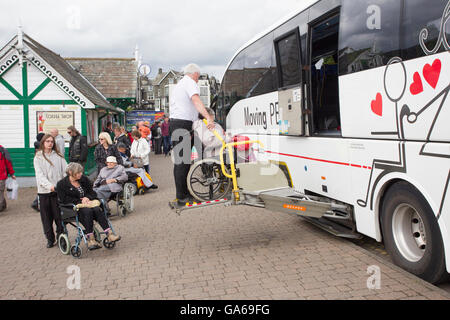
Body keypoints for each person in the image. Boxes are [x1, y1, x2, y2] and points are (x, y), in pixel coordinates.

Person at [169, 63, 215, 207]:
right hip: (182, 125)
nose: (198, 79)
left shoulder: (181, 84)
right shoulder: (190, 82)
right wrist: (208, 117)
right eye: (198, 76)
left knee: (194, 153)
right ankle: (182, 197)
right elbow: (196, 100)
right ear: (194, 74)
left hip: (181, 124)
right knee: (182, 162)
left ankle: (187, 191)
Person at [56, 162, 121, 250]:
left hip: (88, 204)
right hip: (74, 208)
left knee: (97, 209)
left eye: (81, 172)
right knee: (88, 211)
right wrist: (80, 200)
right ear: (71, 172)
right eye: (78, 173)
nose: (81, 174)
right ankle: (91, 239)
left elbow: (92, 192)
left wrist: (87, 197)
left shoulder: (83, 179)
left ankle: (109, 234)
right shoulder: (61, 184)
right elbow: (64, 199)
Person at [34, 134, 67, 248]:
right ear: (43, 143)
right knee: (46, 218)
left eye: (52, 141)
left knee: (59, 216)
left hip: (57, 192)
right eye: (47, 141)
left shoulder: (58, 156)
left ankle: (61, 236)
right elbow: (40, 176)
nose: (50, 143)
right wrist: (50, 186)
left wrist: (63, 183)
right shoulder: (38, 157)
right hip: (44, 192)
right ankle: (50, 238)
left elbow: (65, 171)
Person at [31, 132, 46, 212]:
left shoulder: (37, 146)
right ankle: (36, 203)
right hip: (43, 170)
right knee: (43, 187)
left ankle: (37, 202)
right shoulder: (40, 147)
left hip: (41, 170)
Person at [0, 144, 15, 213]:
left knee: (0, 192)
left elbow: (8, 162)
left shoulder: (3, 150)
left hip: (1, 176)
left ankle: (1, 206)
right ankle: (3, 205)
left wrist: (11, 173)